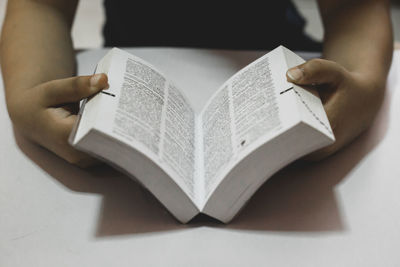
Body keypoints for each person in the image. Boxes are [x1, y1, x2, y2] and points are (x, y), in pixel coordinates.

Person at [0, 0, 393, 167]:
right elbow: (42, 5)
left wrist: (363, 80)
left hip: (279, 63)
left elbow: (352, 6)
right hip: (130, 67)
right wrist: (31, 91)